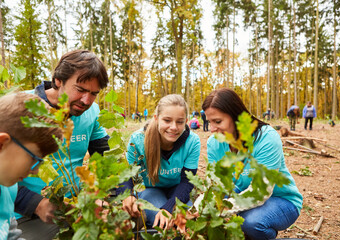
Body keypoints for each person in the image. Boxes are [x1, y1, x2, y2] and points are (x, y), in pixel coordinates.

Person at [15, 50, 110, 240]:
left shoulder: (91, 112)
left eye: (94, 94)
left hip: (77, 207)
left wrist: (102, 193)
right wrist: (37, 204)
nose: (87, 101)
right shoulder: (19, 107)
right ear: (59, 80)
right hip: (24, 214)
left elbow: (105, 156)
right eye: (80, 90)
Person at [203, 88, 302, 240]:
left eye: (218, 121)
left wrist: (224, 208)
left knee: (250, 222)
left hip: (281, 199)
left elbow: (260, 192)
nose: (212, 129)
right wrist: (199, 209)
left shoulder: (266, 138)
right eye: (209, 122)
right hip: (239, 194)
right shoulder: (214, 143)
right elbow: (215, 184)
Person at [116, 94, 200, 229]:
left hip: (178, 189)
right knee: (161, 223)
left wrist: (168, 208)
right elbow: (126, 174)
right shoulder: (138, 140)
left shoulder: (193, 142)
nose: (173, 127)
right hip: (150, 189)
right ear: (156, 118)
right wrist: (127, 195)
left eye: (179, 122)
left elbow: (187, 181)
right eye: (167, 120)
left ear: (186, 121)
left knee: (186, 223)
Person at [0, 92, 62, 240]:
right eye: (34, 159)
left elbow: (10, 235)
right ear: (2, 144)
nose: (35, 170)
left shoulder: (8, 188)